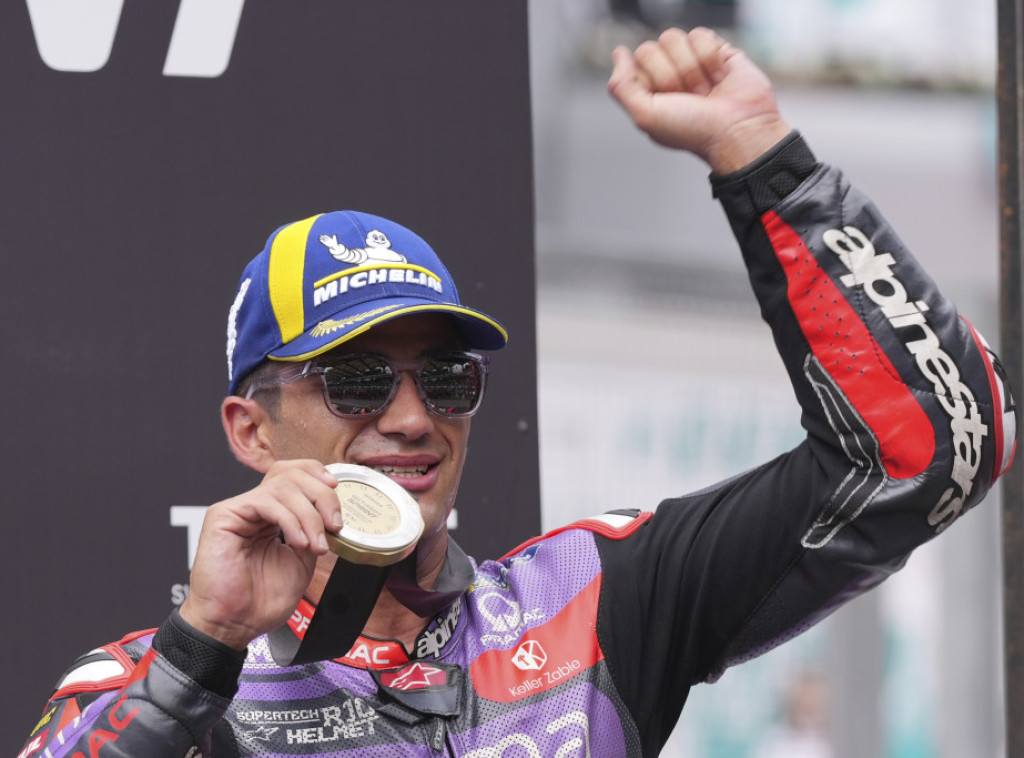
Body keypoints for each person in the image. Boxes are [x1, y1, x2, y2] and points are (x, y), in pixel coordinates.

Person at [19, 27, 1016, 758]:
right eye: (356, 379)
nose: (412, 417)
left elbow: (937, 442)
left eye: (446, 377)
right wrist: (204, 648)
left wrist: (761, 158)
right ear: (252, 429)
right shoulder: (167, 684)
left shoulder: (591, 600)